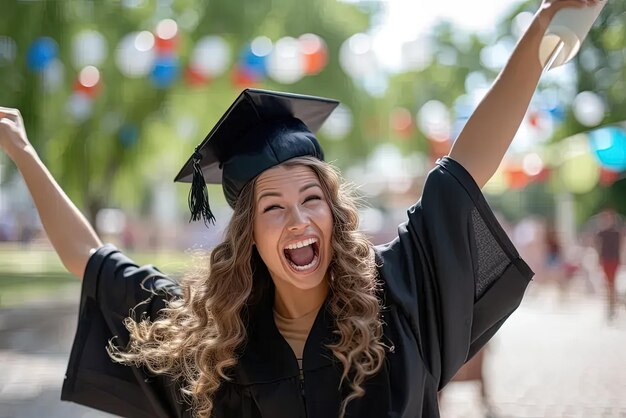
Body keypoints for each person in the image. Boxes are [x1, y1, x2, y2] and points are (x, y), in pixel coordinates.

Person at [0, 1, 602, 416]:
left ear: (334, 216)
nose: (297, 219)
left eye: (311, 199)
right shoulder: (215, 339)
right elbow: (92, 258)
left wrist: (541, 24)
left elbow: (465, 165)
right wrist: (23, 151)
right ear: (249, 237)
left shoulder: (398, 293)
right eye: (273, 208)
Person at [594, 208, 623, 322]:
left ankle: (613, 306)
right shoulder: (602, 233)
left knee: (612, 283)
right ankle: (610, 306)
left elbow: (620, 246)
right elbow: (598, 246)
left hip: (614, 260)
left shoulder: (616, 232)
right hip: (605, 260)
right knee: (608, 284)